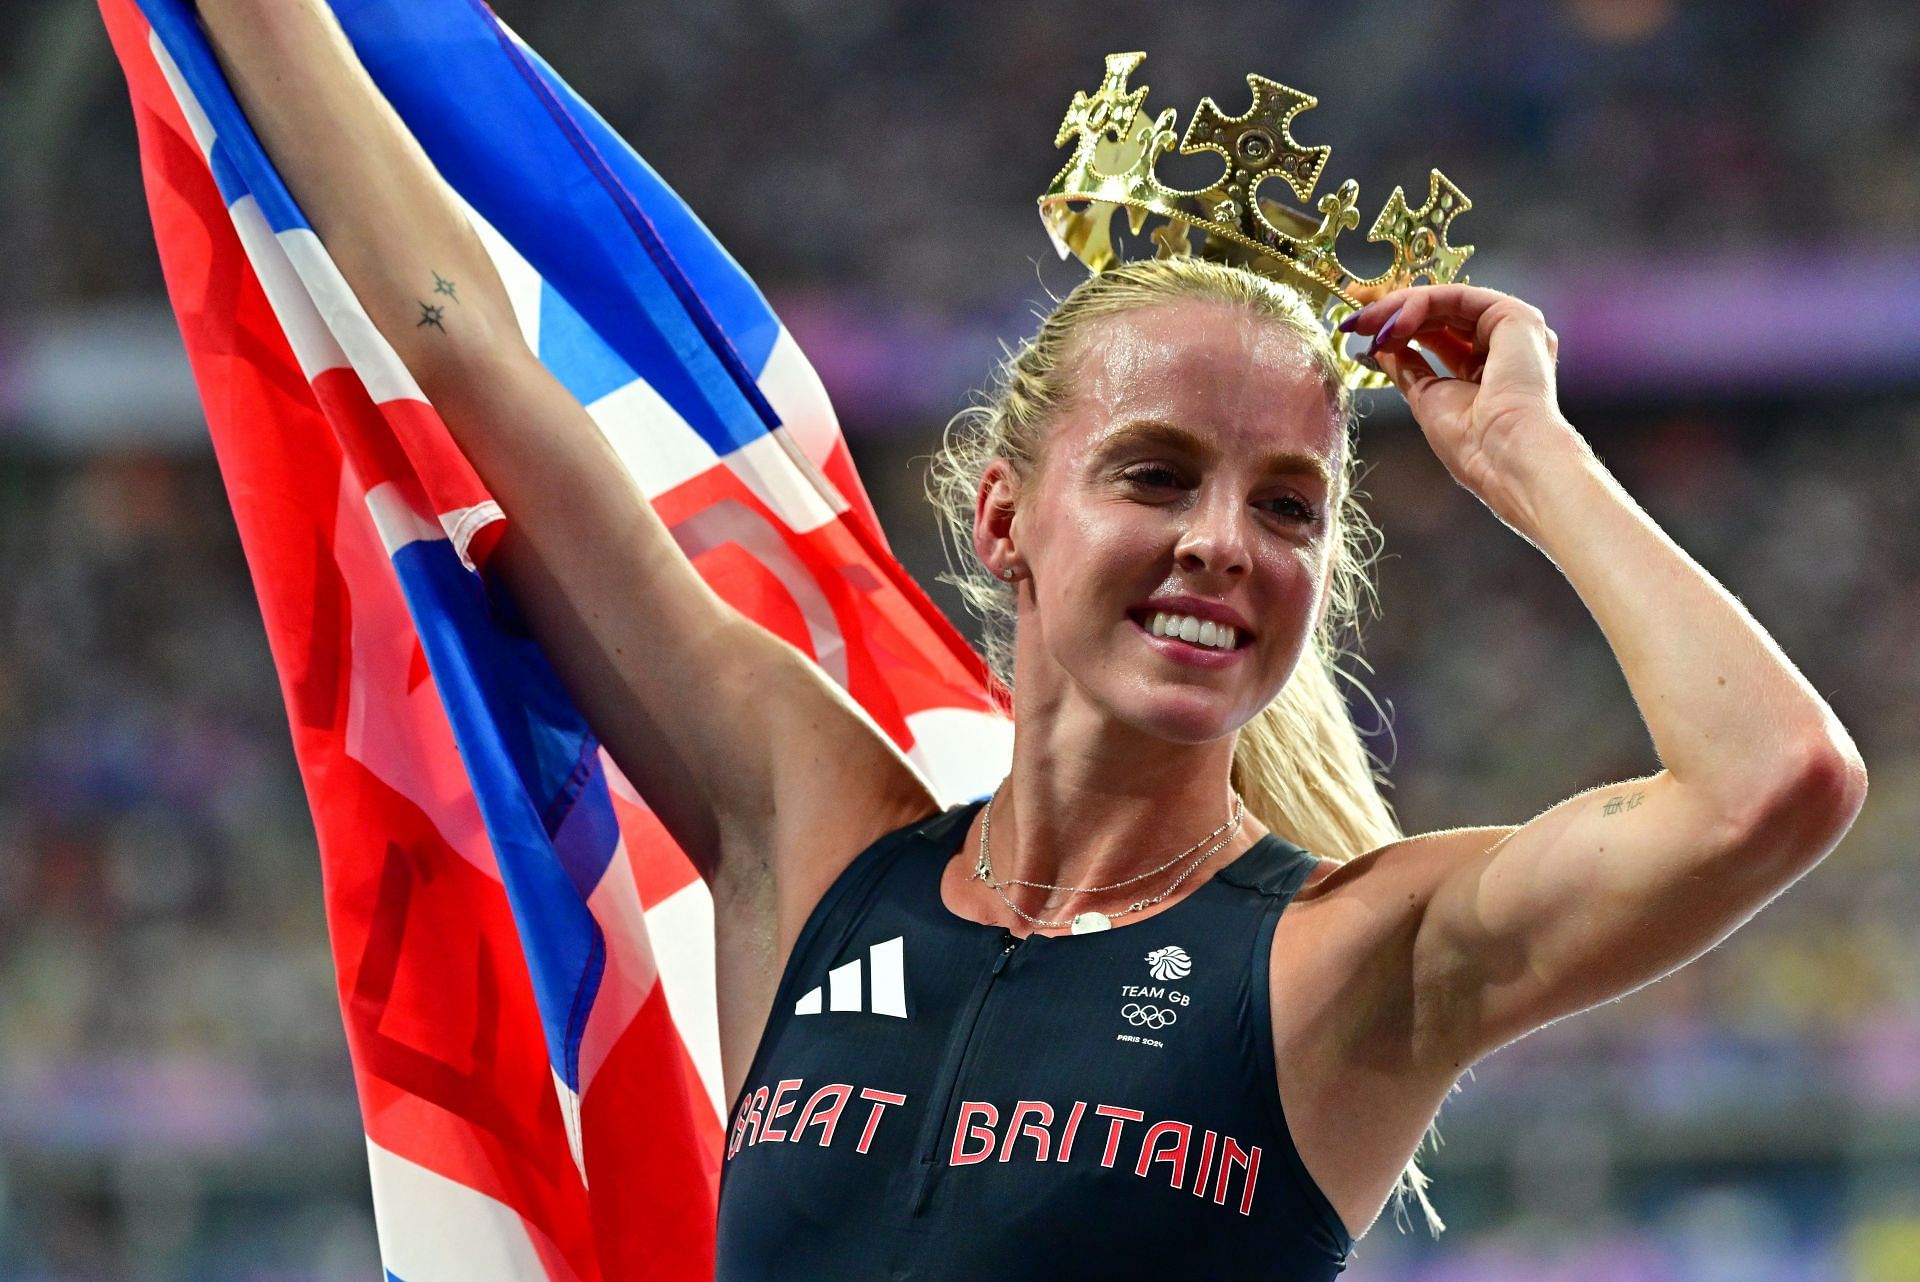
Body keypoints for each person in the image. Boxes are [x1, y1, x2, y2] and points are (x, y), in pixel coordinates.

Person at [197, 4, 1868, 1278]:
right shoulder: (810, 822)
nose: (1224, 539)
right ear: (1004, 519)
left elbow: (1772, 781)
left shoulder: (1348, 959)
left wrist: (1529, 462)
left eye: (1289, 504)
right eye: (1156, 473)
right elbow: (473, 354)